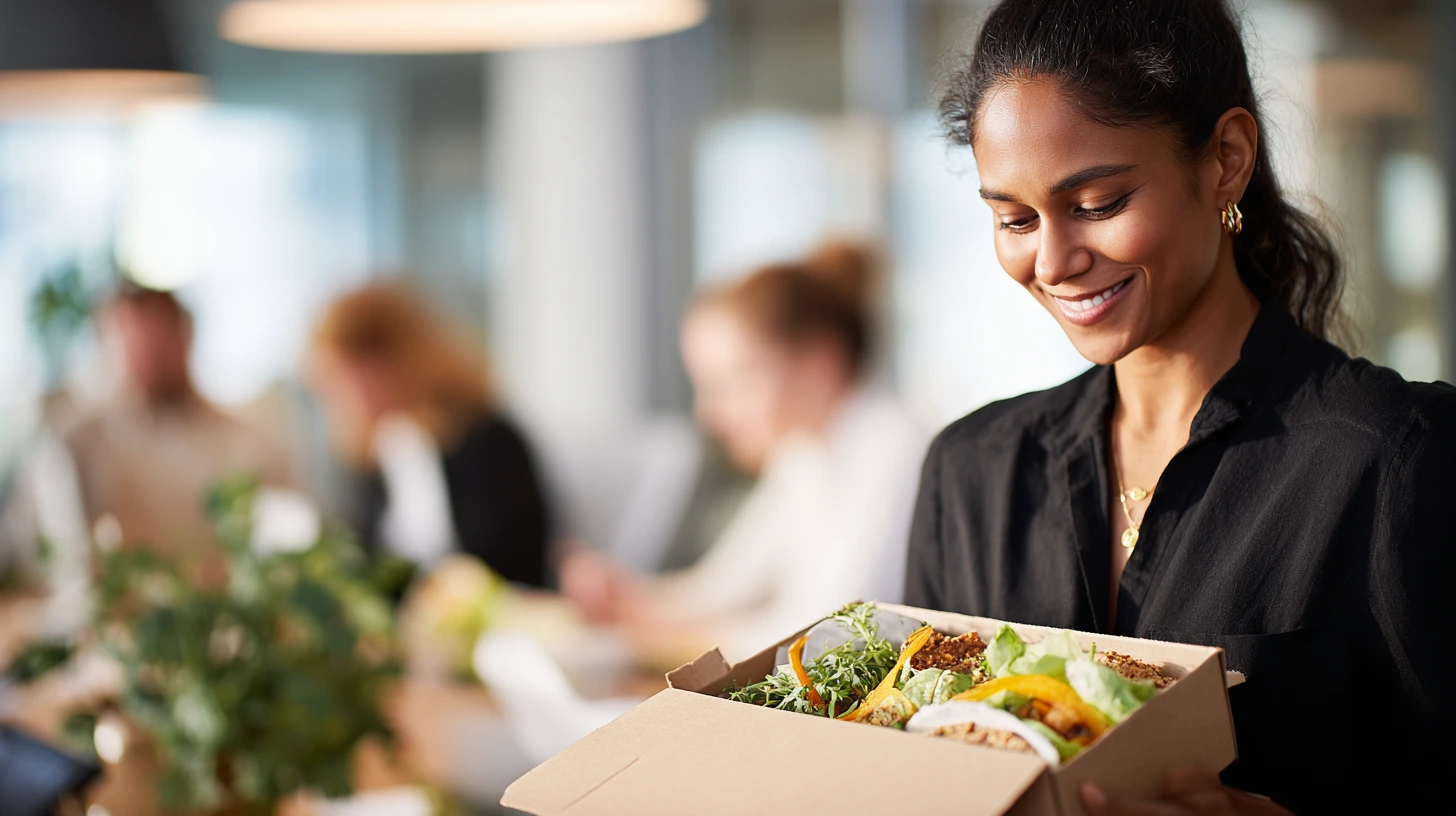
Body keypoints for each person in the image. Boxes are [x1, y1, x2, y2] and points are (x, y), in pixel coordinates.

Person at [905, 1, 1455, 812]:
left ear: (1226, 158)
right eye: (1015, 218)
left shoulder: (1394, 457)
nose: (1052, 261)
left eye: (1098, 203)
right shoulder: (972, 473)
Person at [562, 243, 929, 662]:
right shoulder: (803, 456)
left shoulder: (895, 450)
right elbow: (719, 589)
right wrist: (627, 598)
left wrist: (648, 629)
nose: (709, 414)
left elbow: (830, 637)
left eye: (734, 382)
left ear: (820, 360)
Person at [1, 283, 292, 588]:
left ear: (186, 338)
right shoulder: (79, 443)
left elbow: (280, 536)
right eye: (132, 345)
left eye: (158, 344)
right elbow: (38, 550)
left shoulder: (247, 441)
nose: (147, 360)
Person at [309, 283, 552, 587]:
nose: (345, 398)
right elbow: (360, 555)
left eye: (347, 377)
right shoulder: (379, 457)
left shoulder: (490, 442)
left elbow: (510, 565)